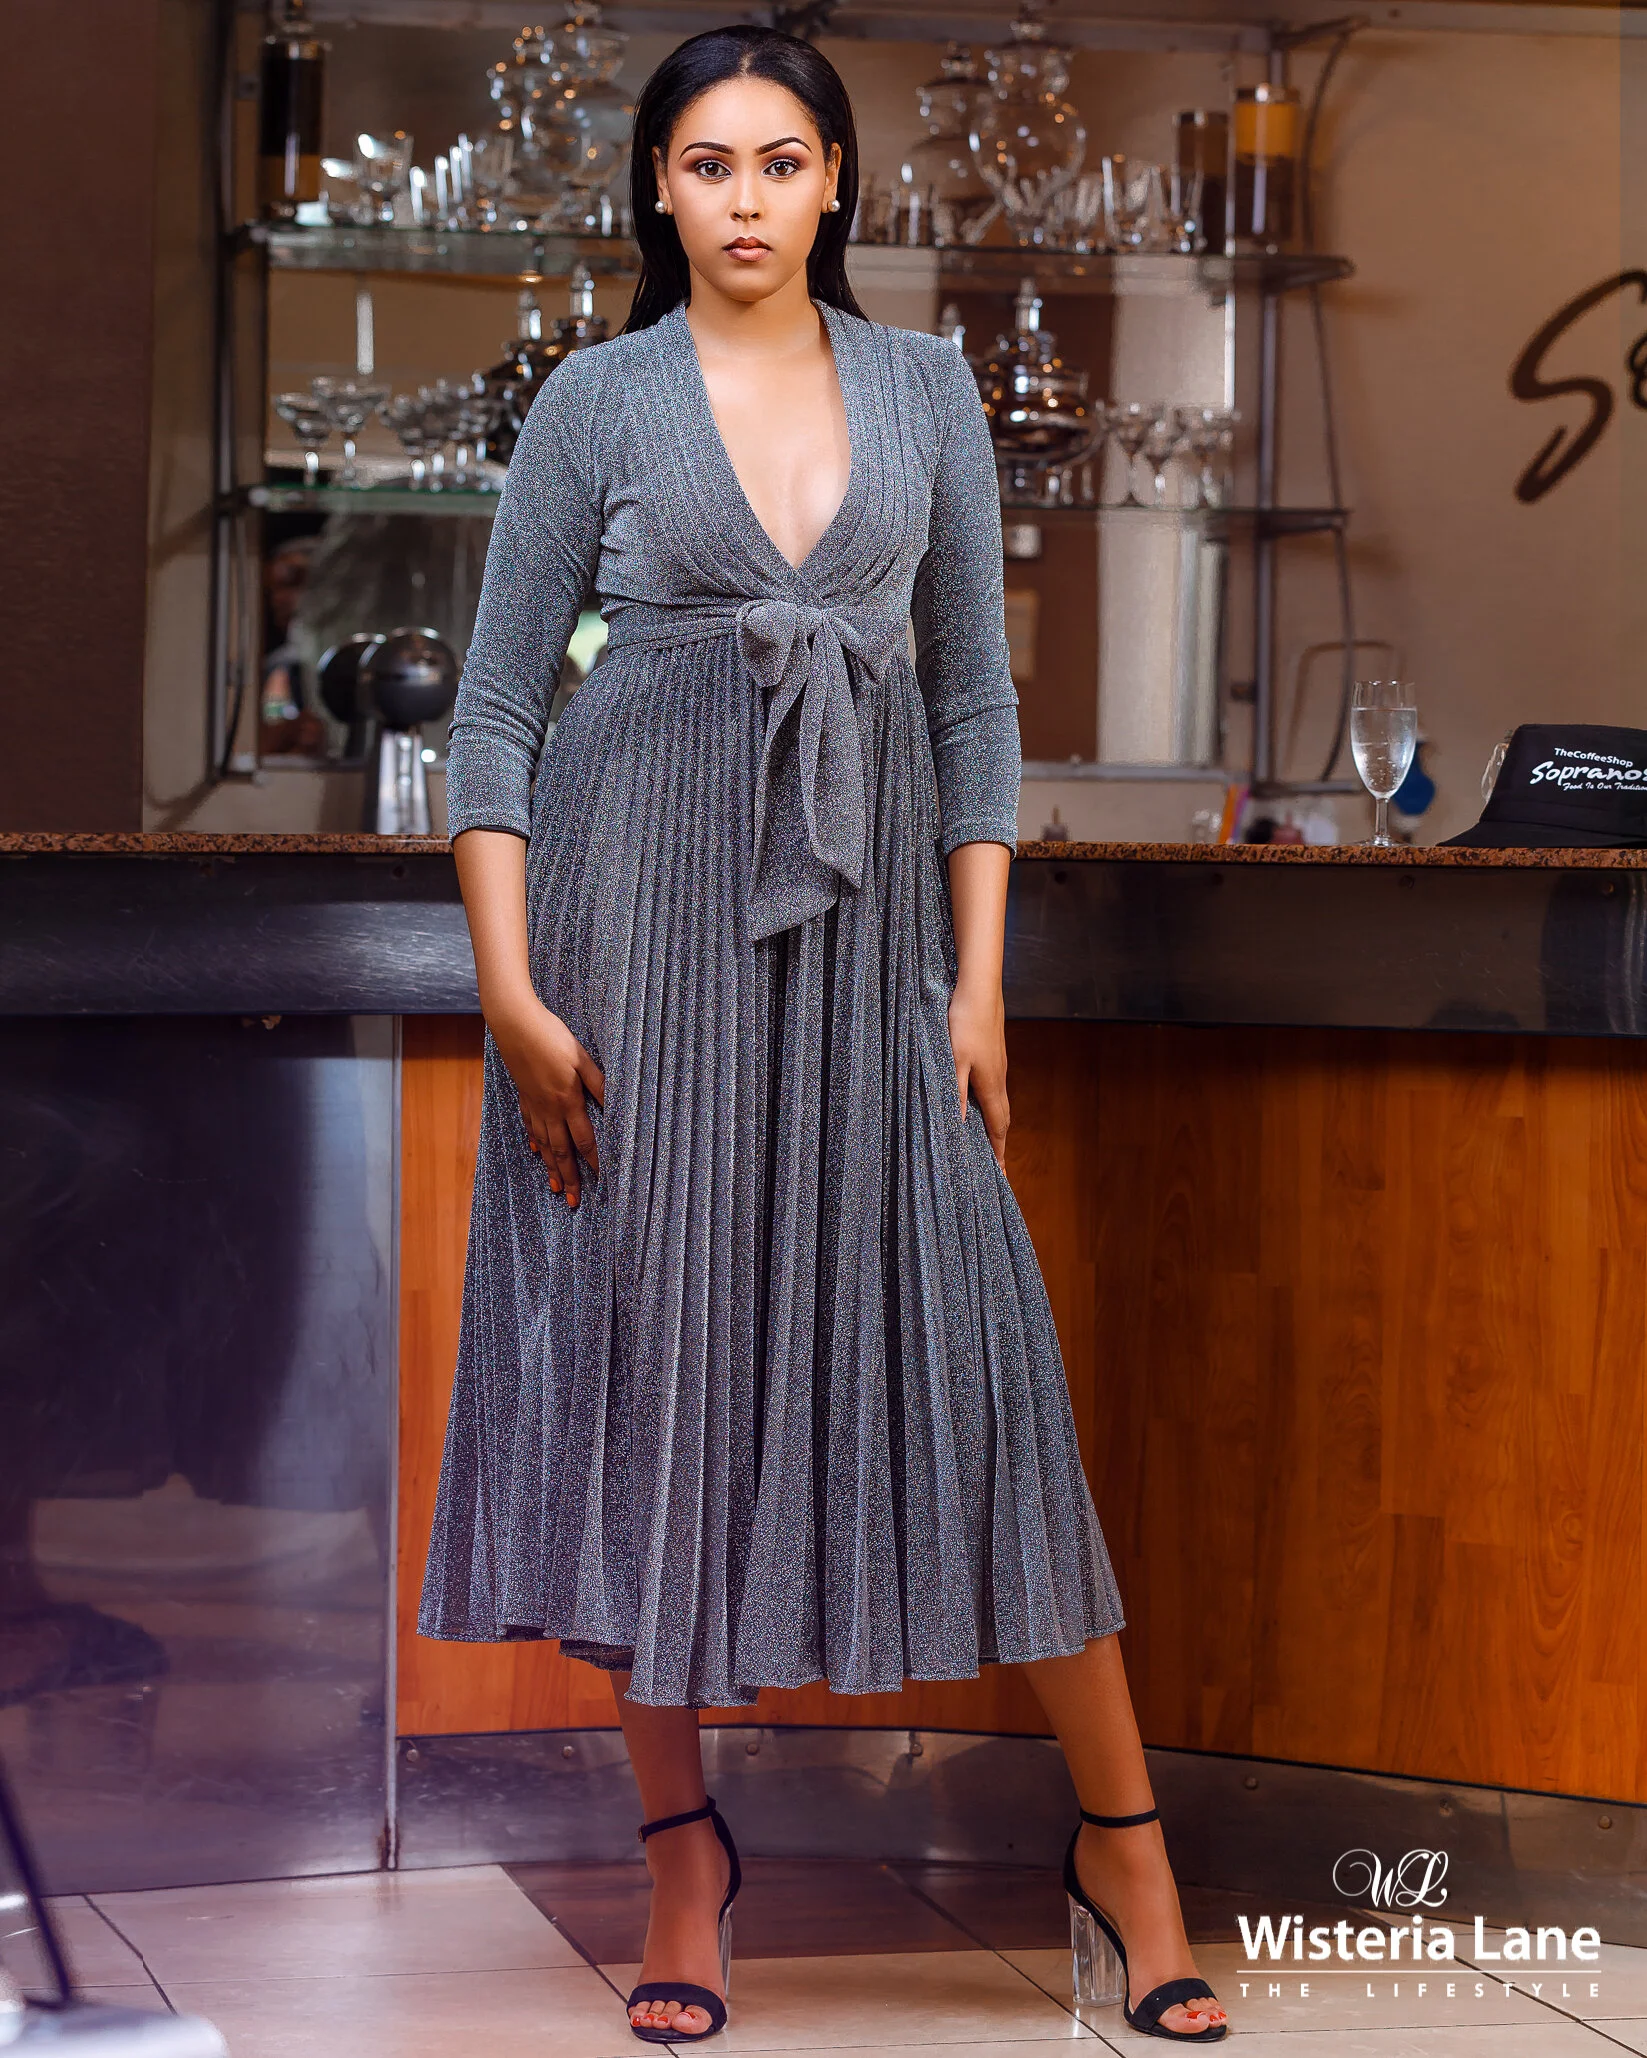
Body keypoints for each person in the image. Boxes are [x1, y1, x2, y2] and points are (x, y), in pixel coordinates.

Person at [417, 24, 1228, 2048]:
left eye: (781, 162)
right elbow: (498, 710)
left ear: (838, 181)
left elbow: (972, 704)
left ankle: (1124, 1847)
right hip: (629, 939)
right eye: (707, 165)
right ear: (657, 188)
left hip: (878, 959)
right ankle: (680, 1855)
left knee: (983, 1371)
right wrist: (511, 991)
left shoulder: (926, 387)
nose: (747, 200)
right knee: (656, 1369)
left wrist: (977, 982)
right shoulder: (596, 401)